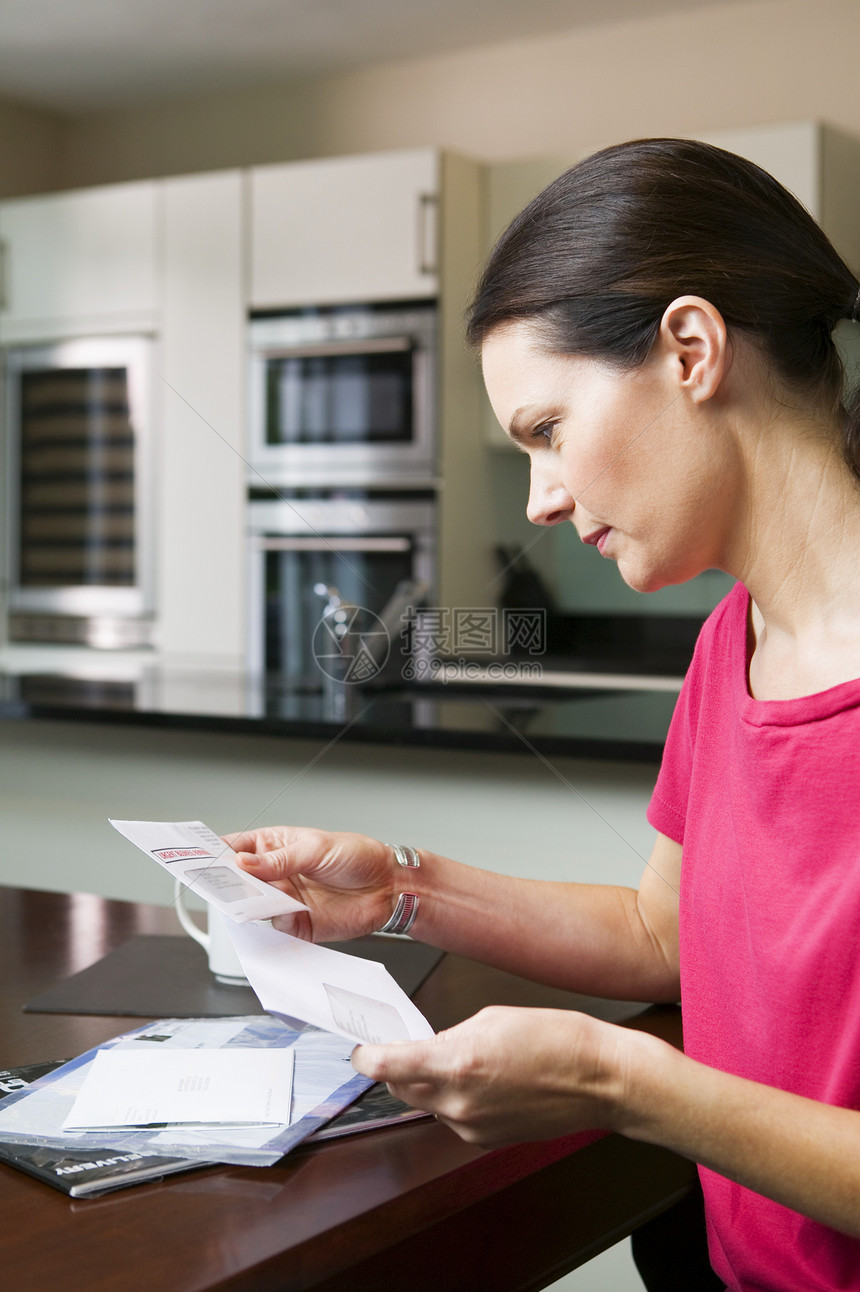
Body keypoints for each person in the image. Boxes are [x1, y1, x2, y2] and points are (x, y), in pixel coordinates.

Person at [228, 138, 860, 1292]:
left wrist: (625, 1082)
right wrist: (401, 888)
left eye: (547, 429)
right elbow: (665, 933)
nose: (542, 495)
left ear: (689, 348)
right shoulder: (734, 643)